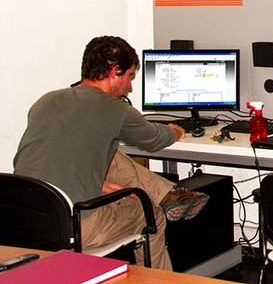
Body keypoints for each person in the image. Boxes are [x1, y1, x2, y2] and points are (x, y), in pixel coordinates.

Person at [13, 36, 210, 271]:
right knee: (152, 214)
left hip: (22, 222)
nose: (129, 87)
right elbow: (154, 139)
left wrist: (100, 184)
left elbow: (55, 160)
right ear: (115, 71)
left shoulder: (46, 100)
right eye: (129, 76)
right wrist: (176, 131)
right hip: (74, 227)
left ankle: (169, 194)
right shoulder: (114, 109)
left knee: (111, 153)